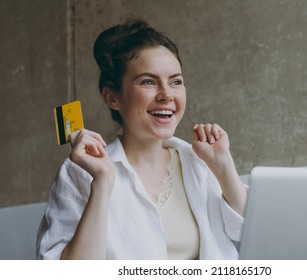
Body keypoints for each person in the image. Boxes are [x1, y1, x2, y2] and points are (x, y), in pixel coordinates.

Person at [36, 19, 247, 260]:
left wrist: (224, 167)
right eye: (148, 82)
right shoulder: (80, 174)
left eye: (175, 81)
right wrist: (102, 183)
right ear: (112, 98)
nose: (167, 94)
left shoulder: (199, 163)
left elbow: (251, 238)